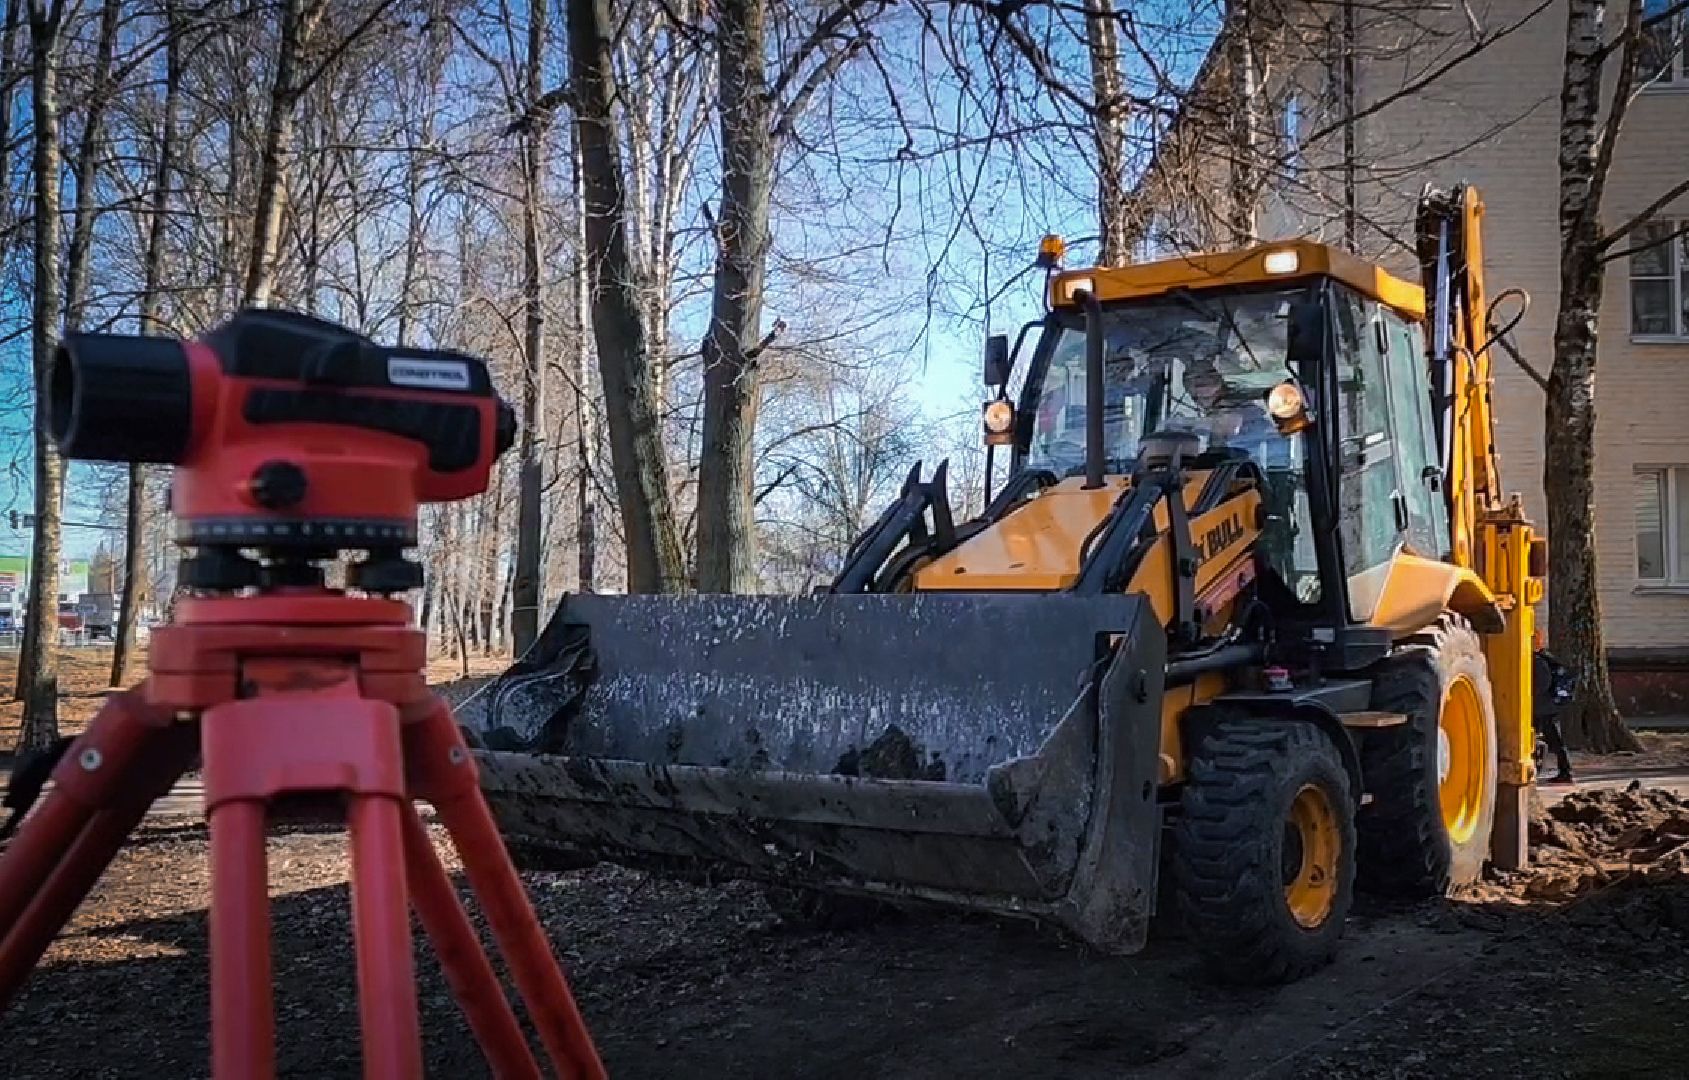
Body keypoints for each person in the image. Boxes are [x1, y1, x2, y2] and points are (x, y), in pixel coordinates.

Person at [1532, 631, 1575, 784]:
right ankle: (1561, 771)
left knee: (1553, 741)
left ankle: (1565, 772)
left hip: (1543, 708)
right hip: (1544, 706)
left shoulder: (1538, 660)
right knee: (1546, 739)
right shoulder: (1542, 659)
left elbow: (1542, 683)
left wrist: (1531, 695)